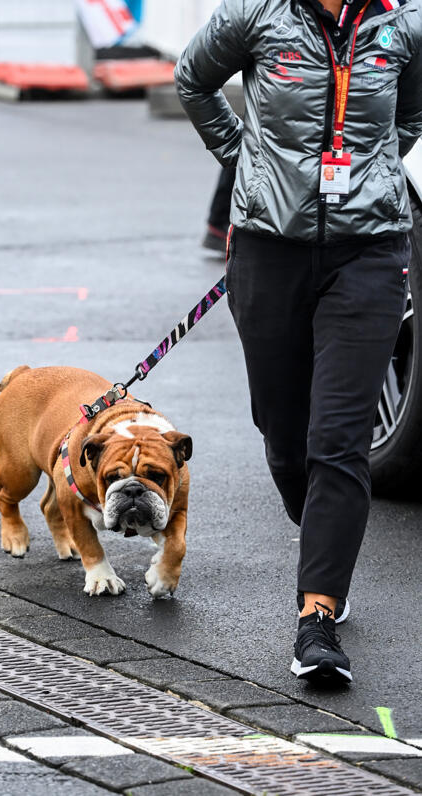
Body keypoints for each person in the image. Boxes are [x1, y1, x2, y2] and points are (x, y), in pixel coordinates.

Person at [175, 0, 422, 683]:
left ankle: (317, 617)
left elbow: (413, 112)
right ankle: (319, 531)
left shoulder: (405, 25)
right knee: (285, 437)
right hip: (267, 251)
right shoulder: (256, 14)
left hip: (370, 254)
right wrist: (247, 160)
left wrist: (371, 170)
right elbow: (192, 79)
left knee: (338, 440)